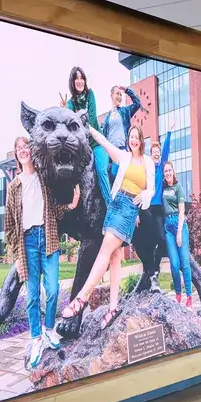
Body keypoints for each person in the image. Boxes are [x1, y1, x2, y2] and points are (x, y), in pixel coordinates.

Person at [61, 124, 154, 327]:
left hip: (129, 208)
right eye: (131, 136)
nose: (133, 140)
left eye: (137, 137)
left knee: (104, 250)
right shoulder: (123, 157)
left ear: (141, 141)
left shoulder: (147, 162)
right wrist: (88, 128)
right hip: (115, 206)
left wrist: (143, 197)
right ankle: (113, 307)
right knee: (114, 257)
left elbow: (151, 190)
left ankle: (81, 298)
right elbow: (104, 142)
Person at [4, 136, 80, 369]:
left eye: (26, 146)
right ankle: (36, 338)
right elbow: (9, 226)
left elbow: (54, 210)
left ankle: (48, 330)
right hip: (26, 243)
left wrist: (72, 204)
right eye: (19, 148)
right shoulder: (13, 187)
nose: (23, 150)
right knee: (34, 296)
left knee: (54, 289)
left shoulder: (44, 178)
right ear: (16, 155)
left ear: (31, 150)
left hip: (47, 238)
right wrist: (16, 256)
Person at [134, 119, 175, 292]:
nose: (157, 154)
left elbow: (166, 151)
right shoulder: (149, 168)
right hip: (148, 208)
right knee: (146, 240)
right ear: (151, 154)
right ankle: (150, 273)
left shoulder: (161, 167)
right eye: (154, 152)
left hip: (159, 210)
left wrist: (169, 134)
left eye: (158, 152)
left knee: (162, 239)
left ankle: (155, 269)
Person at [93, 85, 142, 203]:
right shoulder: (108, 117)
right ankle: (109, 200)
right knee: (104, 172)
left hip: (121, 150)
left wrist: (126, 91)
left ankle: (120, 198)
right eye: (117, 94)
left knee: (115, 172)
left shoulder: (125, 111)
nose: (119, 96)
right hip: (109, 151)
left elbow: (137, 103)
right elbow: (104, 135)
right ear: (111, 96)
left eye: (120, 94)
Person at [162, 160, 193, 308]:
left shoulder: (178, 188)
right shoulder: (162, 187)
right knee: (174, 265)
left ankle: (189, 297)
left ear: (173, 172)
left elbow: (182, 211)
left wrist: (179, 231)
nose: (168, 173)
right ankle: (178, 294)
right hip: (167, 226)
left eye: (169, 170)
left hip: (179, 224)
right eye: (165, 171)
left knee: (184, 262)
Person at [63, 66, 99, 132]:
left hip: (95, 137)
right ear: (72, 82)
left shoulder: (90, 93)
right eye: (76, 78)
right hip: (81, 139)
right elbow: (70, 122)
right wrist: (64, 111)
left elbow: (92, 119)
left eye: (82, 78)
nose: (80, 81)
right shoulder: (70, 103)